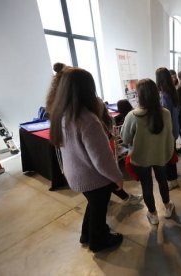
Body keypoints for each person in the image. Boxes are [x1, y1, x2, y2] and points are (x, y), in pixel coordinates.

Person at [49, 68, 123, 252]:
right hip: (93, 177)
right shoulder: (88, 119)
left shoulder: (62, 114)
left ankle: (86, 234)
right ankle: (99, 241)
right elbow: (101, 160)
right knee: (99, 208)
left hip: (75, 174)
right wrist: (117, 177)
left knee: (94, 204)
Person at [121, 79, 175, 225]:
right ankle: (167, 206)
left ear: (140, 95)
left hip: (141, 158)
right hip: (160, 156)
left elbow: (125, 139)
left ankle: (153, 214)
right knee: (162, 181)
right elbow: (169, 135)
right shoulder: (165, 113)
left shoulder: (133, 116)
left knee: (147, 186)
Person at [156, 67, 180, 190]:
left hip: (168, 132)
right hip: (174, 129)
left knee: (168, 156)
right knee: (171, 154)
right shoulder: (172, 91)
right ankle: (173, 178)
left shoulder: (164, 95)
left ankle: (172, 180)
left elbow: (164, 116)